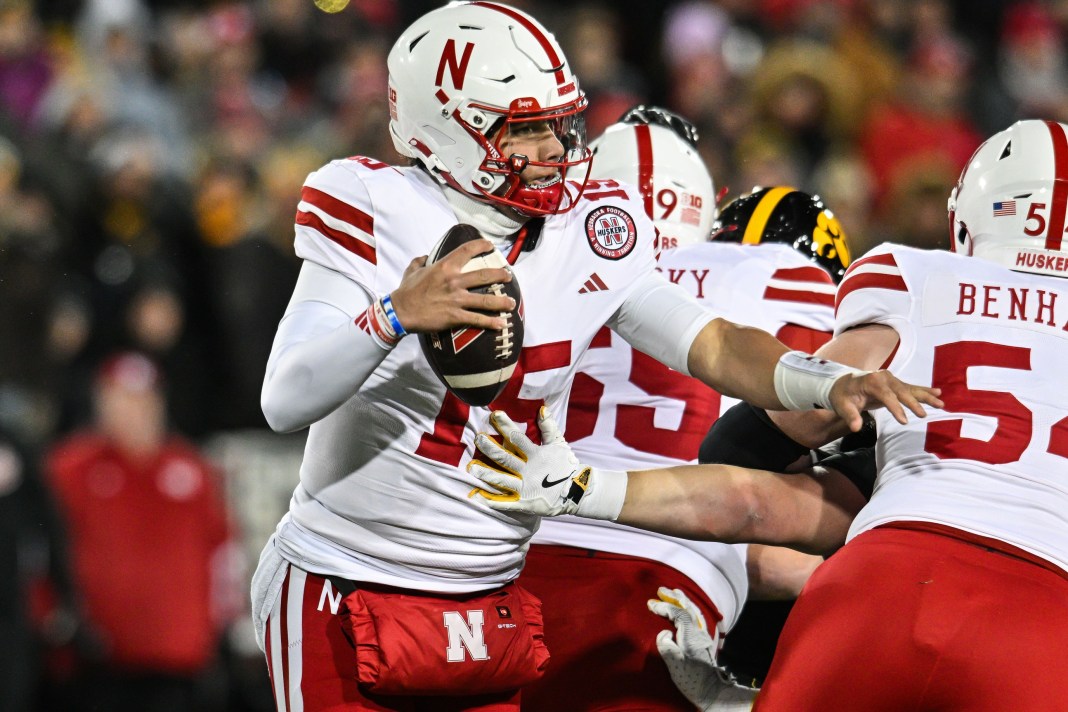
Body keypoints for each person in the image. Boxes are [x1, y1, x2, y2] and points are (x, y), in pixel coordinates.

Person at [250, 3, 938, 710]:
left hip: (491, 600)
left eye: (557, 121)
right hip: (348, 579)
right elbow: (285, 398)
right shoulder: (379, 204)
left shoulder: (594, 223)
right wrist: (397, 314)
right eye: (526, 127)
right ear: (448, 125)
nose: (554, 145)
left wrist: (821, 382)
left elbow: (714, 342)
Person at [468, 119, 1068, 711]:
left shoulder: (916, 279)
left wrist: (583, 487)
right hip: (1048, 620)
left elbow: (753, 454)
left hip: (882, 577)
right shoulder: (790, 279)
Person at [517, 105, 848, 711]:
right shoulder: (787, 279)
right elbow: (773, 515)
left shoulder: (535, 261)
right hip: (664, 585)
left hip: (503, 561)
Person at [44, 351, 242, 712]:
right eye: (121, 398)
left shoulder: (192, 469)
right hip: (98, 658)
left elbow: (223, 552)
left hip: (179, 658)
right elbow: (44, 550)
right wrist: (56, 621)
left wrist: (221, 629)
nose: (134, 410)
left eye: (143, 400)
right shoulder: (70, 469)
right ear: (100, 403)